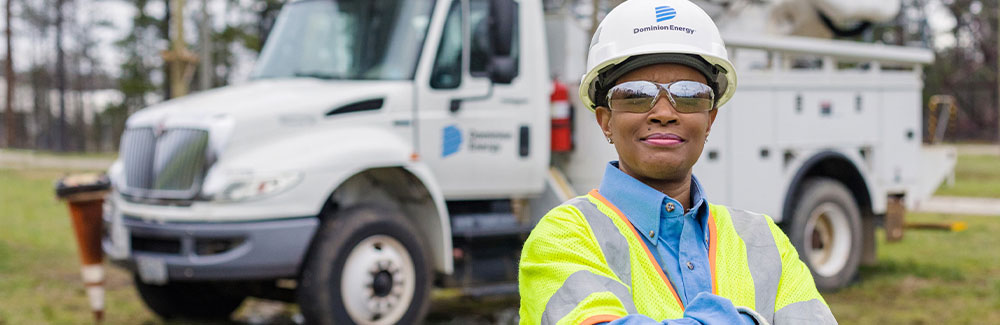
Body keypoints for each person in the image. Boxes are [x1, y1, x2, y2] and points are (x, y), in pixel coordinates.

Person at [518, 0, 837, 324]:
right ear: (605, 121)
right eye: (635, 94)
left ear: (709, 119)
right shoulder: (562, 238)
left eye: (688, 94)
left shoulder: (764, 240)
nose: (664, 113)